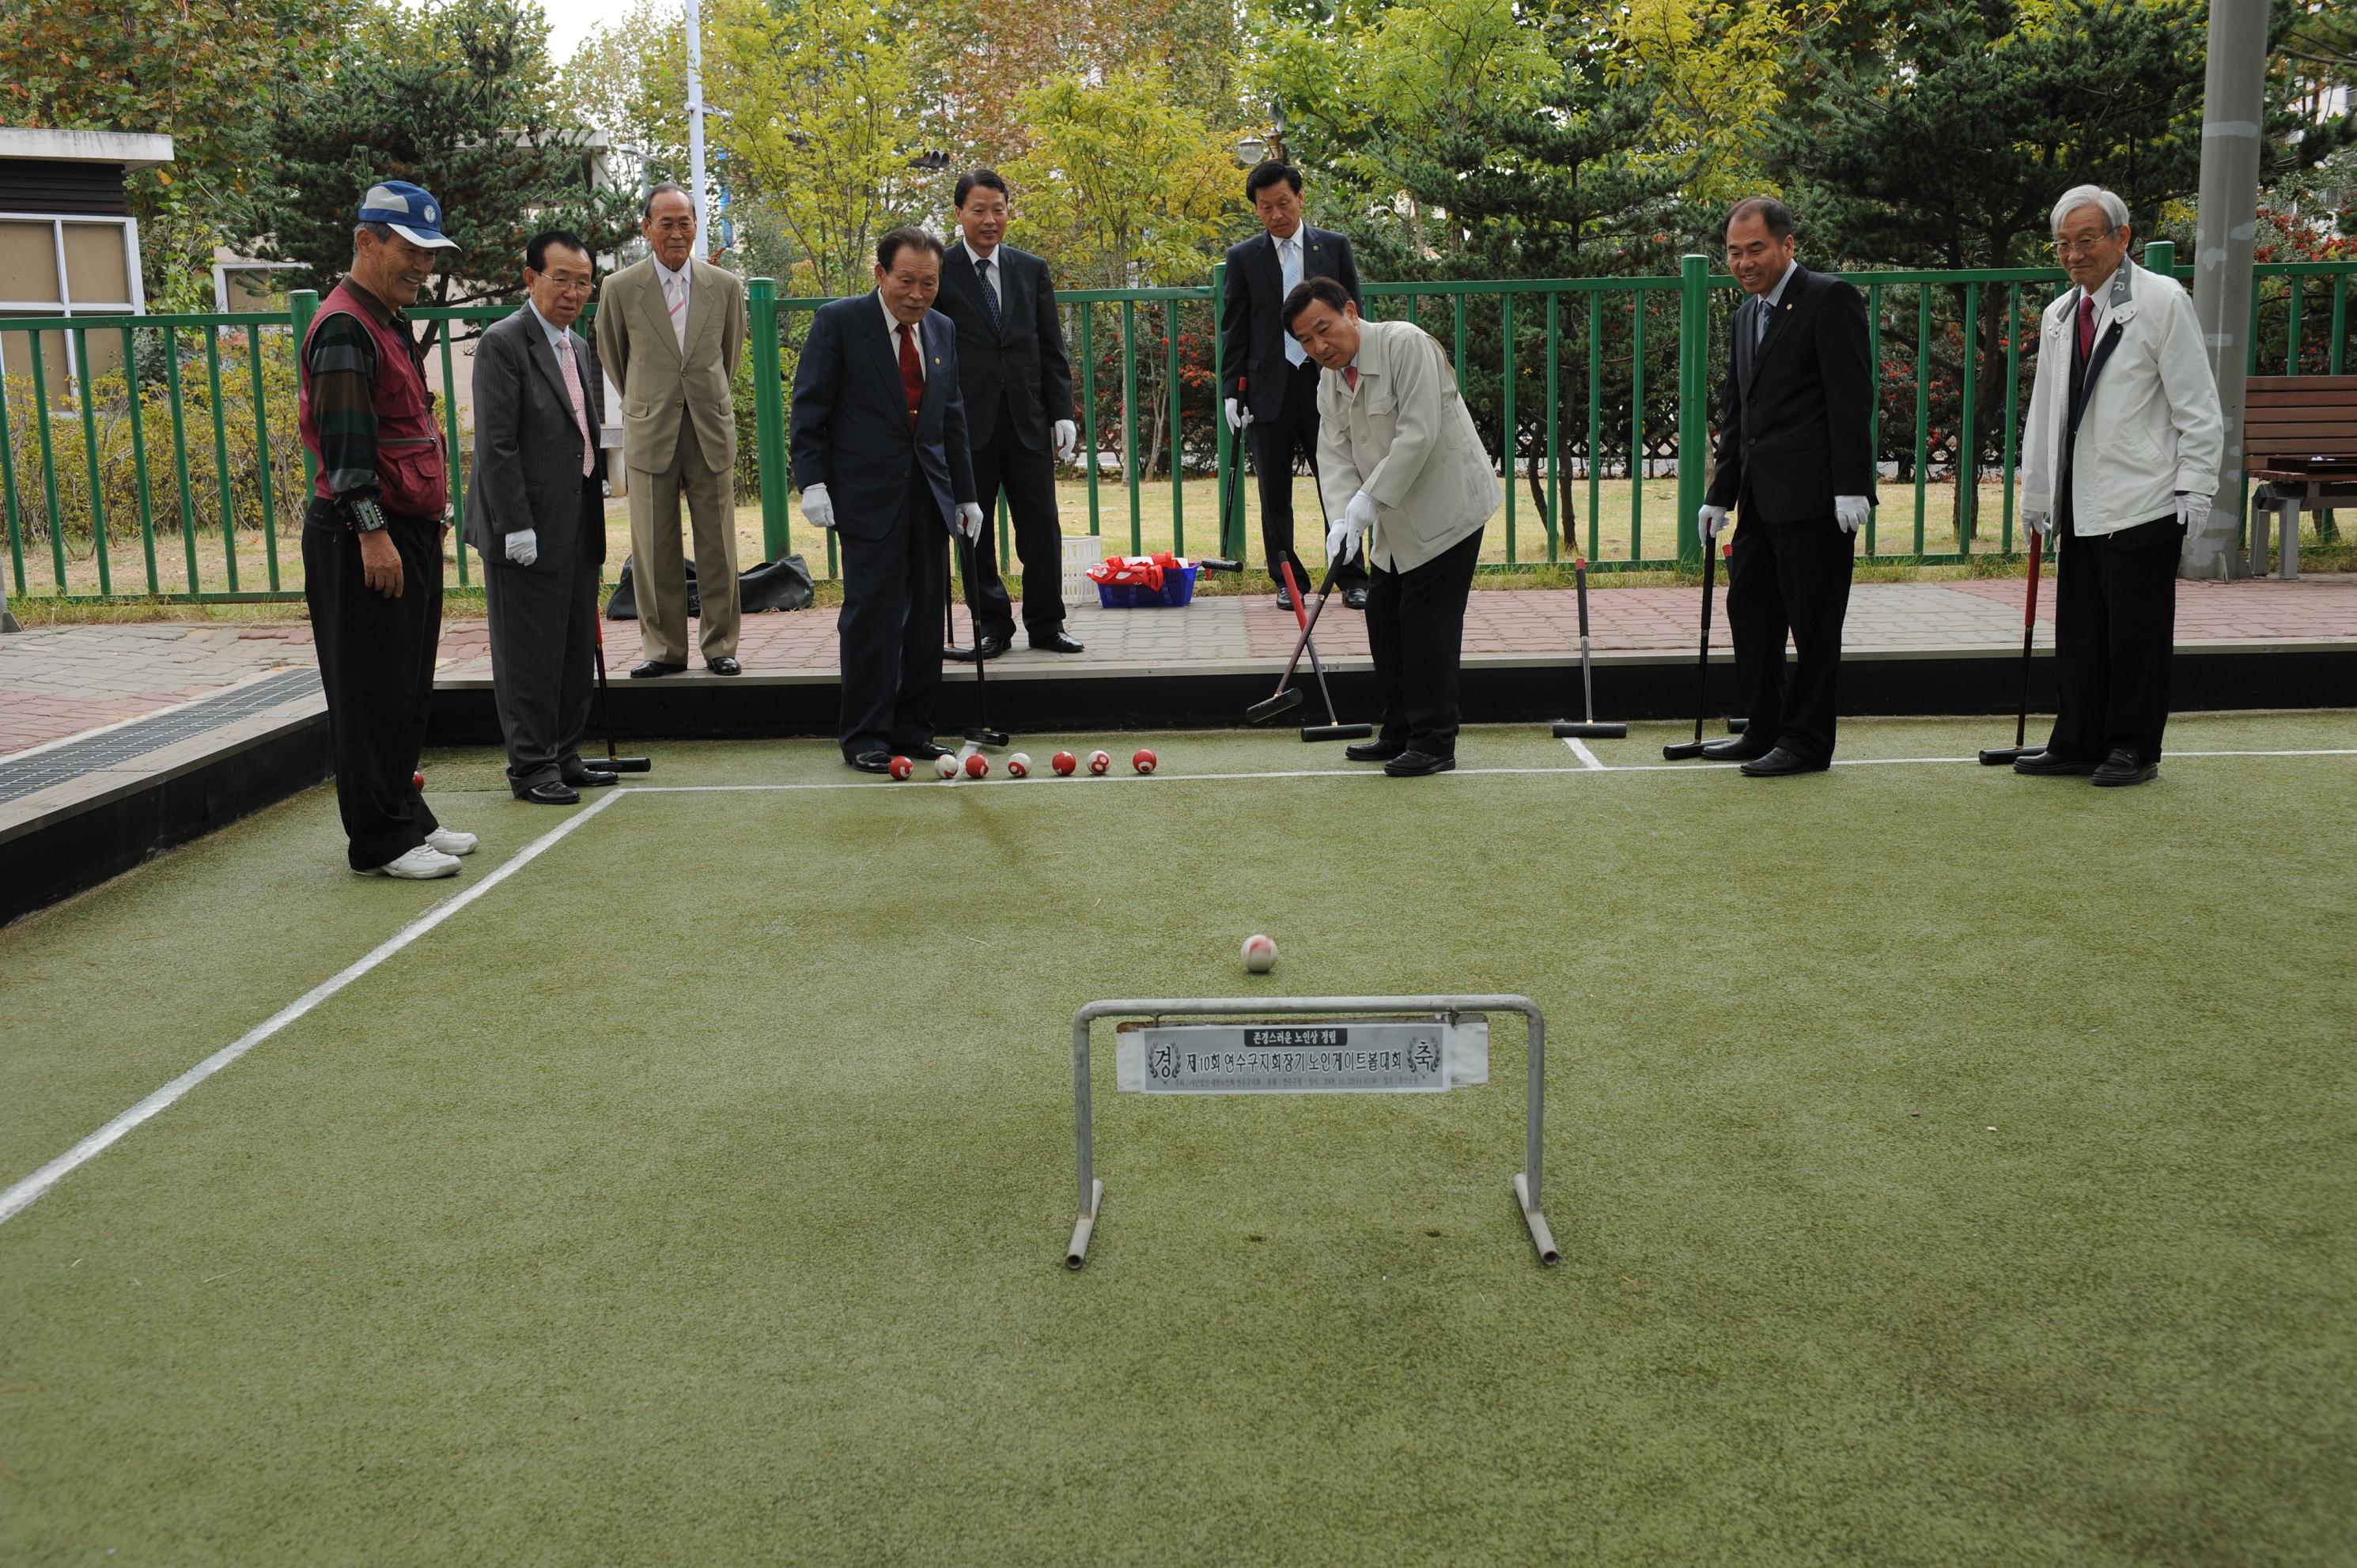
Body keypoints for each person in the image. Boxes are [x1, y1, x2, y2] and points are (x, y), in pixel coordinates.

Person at [2011, 185, 2223, 788]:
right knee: (2080, 631)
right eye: (2063, 244)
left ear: (2122, 238)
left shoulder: (2162, 301)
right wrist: (2037, 493)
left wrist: (2196, 485)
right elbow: (2046, 414)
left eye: (2087, 240)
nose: (2074, 254)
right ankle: (2077, 739)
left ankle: (2134, 745)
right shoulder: (2060, 314)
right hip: (2080, 501)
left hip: (2146, 496)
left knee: (2137, 632)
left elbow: (2197, 405)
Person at [297, 180, 476, 879]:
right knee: (372, 690)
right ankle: (380, 841)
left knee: (406, 684)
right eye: (409, 250)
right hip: (365, 535)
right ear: (365, 242)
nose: (422, 266)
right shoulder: (345, 325)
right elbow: (345, 453)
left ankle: (406, 816)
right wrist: (373, 533)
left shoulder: (386, 316)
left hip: (406, 529)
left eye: (430, 254)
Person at [1285, 278, 1500, 776]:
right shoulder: (1329, 380)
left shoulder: (1407, 345)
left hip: (1449, 510)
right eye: (1306, 341)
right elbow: (1333, 454)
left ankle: (1434, 742)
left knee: (1427, 626)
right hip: (1394, 521)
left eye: (1324, 329)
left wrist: (1366, 502)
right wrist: (1342, 517)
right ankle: (1400, 729)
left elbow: (1418, 432)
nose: (1320, 347)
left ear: (1351, 311)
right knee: (1383, 617)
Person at [789, 228, 985, 773]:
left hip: (929, 495)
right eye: (906, 280)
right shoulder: (840, 322)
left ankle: (912, 728)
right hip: (866, 494)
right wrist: (814, 482)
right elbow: (809, 410)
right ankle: (865, 735)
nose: (917, 293)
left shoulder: (942, 329)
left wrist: (965, 496)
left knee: (927, 615)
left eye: (929, 282)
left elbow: (953, 417)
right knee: (872, 617)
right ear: (880, 275)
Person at [1696, 195, 1876, 776]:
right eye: (1734, 251)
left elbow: (1851, 400)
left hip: (1817, 500)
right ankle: (1765, 726)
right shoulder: (1746, 314)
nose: (1744, 262)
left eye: (1756, 249)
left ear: (1787, 246)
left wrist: (1852, 485)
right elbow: (1738, 410)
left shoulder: (1829, 299)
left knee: (1814, 625)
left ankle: (1807, 741)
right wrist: (1720, 492)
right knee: (1751, 612)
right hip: (1759, 501)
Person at [462, 229, 615, 805]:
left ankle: (564, 752)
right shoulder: (504, 342)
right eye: (561, 279)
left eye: (583, 283)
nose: (573, 292)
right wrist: (516, 524)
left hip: (575, 523)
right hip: (521, 528)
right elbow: (497, 445)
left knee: (575, 646)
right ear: (530, 279)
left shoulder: (576, 345)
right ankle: (530, 765)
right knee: (529, 652)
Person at [593, 181, 748, 678]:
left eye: (685, 221)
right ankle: (663, 651)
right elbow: (615, 358)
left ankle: (721, 644)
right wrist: (649, 400)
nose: (677, 232)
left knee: (718, 546)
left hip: (708, 427)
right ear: (647, 227)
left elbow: (730, 356)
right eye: (666, 222)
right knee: (654, 548)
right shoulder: (619, 289)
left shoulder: (725, 287)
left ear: (696, 226)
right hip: (651, 429)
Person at [932, 168, 1084, 659]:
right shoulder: (941, 269)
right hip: (965, 423)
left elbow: (1050, 347)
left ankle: (1046, 623)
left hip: (1027, 420)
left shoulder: (1030, 268)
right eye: (978, 210)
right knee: (974, 532)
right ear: (959, 214)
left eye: (998, 209)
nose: (990, 219)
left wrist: (1062, 412)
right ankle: (992, 624)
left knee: (1041, 526)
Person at [1220, 162, 1368, 610]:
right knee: (1273, 491)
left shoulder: (1334, 247)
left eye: (1283, 203)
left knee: (1339, 481)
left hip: (1328, 382)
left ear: (1301, 198)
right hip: (1269, 387)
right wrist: (1232, 390)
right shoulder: (1244, 258)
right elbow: (1235, 327)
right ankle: (1286, 577)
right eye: (1265, 208)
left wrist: (1358, 373)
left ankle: (1352, 575)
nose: (1276, 214)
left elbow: (1353, 313)